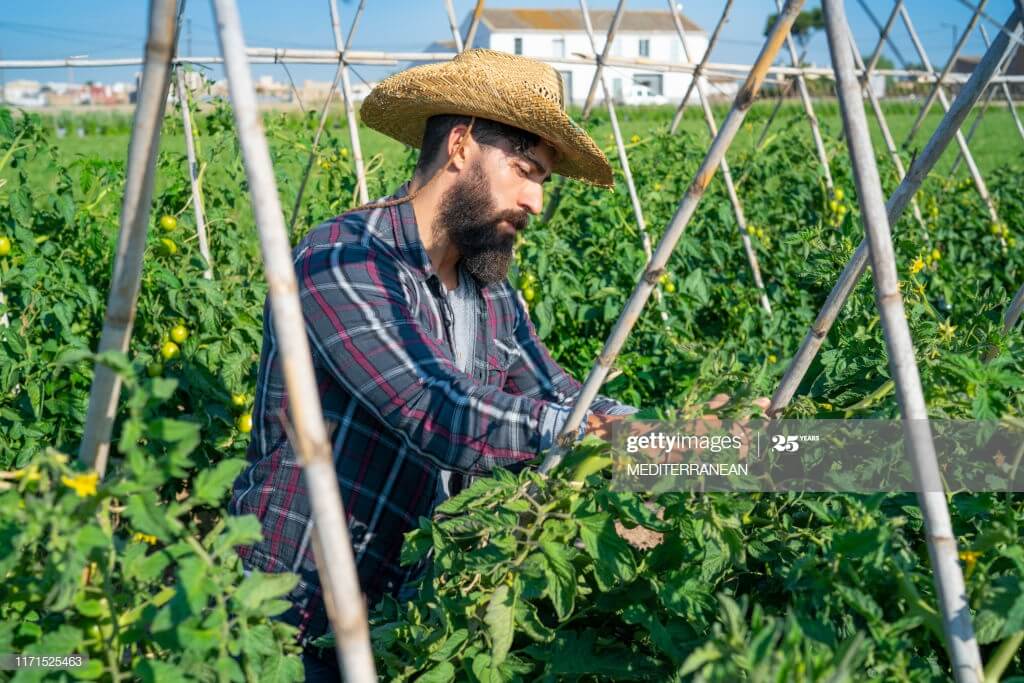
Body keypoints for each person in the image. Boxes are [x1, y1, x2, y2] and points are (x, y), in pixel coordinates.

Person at [228, 48, 639, 680]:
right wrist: (598, 437)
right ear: (461, 145)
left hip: (408, 619)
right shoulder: (339, 259)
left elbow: (558, 394)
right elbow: (432, 405)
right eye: (524, 170)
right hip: (292, 617)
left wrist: (689, 442)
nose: (535, 201)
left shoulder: (489, 288)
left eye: (543, 181)